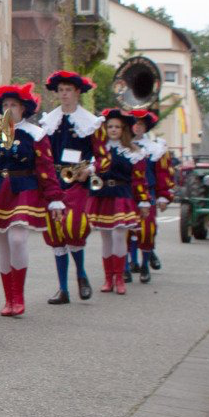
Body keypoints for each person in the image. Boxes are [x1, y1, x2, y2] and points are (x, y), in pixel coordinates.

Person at [0, 84, 65, 317]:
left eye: (13, 105)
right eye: (4, 105)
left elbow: (46, 168)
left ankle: (19, 296)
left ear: (23, 108)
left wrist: (55, 198)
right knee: (3, 246)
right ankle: (9, 299)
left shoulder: (35, 134)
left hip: (24, 189)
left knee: (17, 239)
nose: (8, 109)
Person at [39, 70, 101, 303]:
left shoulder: (90, 122)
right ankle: (63, 288)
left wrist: (90, 169)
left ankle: (81, 275)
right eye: (61, 90)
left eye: (68, 90)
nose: (64, 94)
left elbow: (101, 155)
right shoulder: (50, 121)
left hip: (77, 180)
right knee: (55, 231)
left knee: (74, 227)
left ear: (77, 93)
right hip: (54, 181)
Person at [88, 108, 145, 296]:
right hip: (103, 194)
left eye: (117, 127)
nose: (113, 130)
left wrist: (143, 201)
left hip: (122, 194)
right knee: (105, 238)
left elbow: (139, 179)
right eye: (110, 126)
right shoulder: (99, 149)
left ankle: (120, 277)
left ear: (123, 129)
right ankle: (108, 278)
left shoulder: (133, 152)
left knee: (119, 236)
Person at [123, 109, 173, 283]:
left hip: (148, 192)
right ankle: (128, 264)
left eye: (141, 124)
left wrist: (163, 196)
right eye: (135, 124)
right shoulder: (124, 147)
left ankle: (145, 264)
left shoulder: (155, 148)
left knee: (147, 229)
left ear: (146, 127)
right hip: (128, 192)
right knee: (127, 229)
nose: (137, 127)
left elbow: (162, 174)